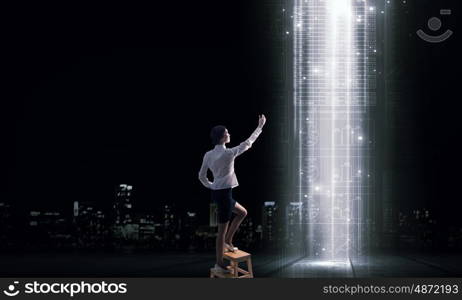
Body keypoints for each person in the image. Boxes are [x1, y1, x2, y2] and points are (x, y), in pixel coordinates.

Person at [198, 114, 266, 274]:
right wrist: (260, 127)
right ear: (222, 137)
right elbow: (248, 143)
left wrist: (212, 185)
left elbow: (201, 176)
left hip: (221, 193)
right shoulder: (228, 153)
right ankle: (219, 262)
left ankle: (229, 240)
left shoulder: (208, 154)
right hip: (224, 196)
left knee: (243, 212)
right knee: (220, 233)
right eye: (227, 133)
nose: (229, 134)